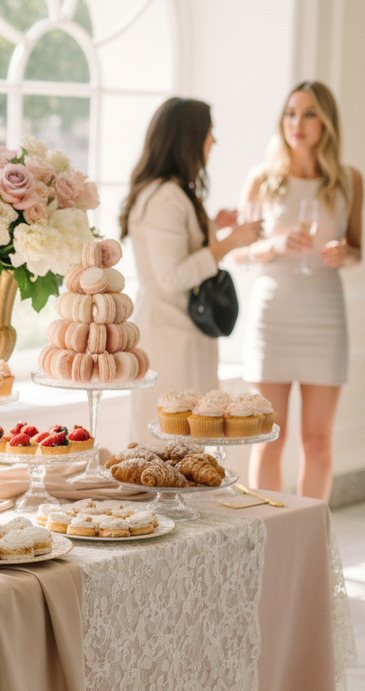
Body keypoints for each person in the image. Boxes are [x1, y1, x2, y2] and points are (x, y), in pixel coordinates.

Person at [230, 81, 363, 500]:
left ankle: (312, 540)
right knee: (270, 437)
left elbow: (359, 250)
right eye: (291, 113)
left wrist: (346, 253)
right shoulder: (263, 179)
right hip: (274, 316)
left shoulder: (349, 180)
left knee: (318, 442)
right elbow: (238, 253)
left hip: (324, 314)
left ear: (326, 122)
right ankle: (268, 537)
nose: (297, 123)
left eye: (308, 114)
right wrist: (274, 245)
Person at [120, 97, 262, 443]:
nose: (213, 141)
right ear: (189, 138)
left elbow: (175, 252)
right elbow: (172, 276)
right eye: (209, 132)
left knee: (182, 439)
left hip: (177, 329)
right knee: (174, 439)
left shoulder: (164, 192)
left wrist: (212, 227)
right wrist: (229, 243)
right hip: (171, 336)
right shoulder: (168, 197)